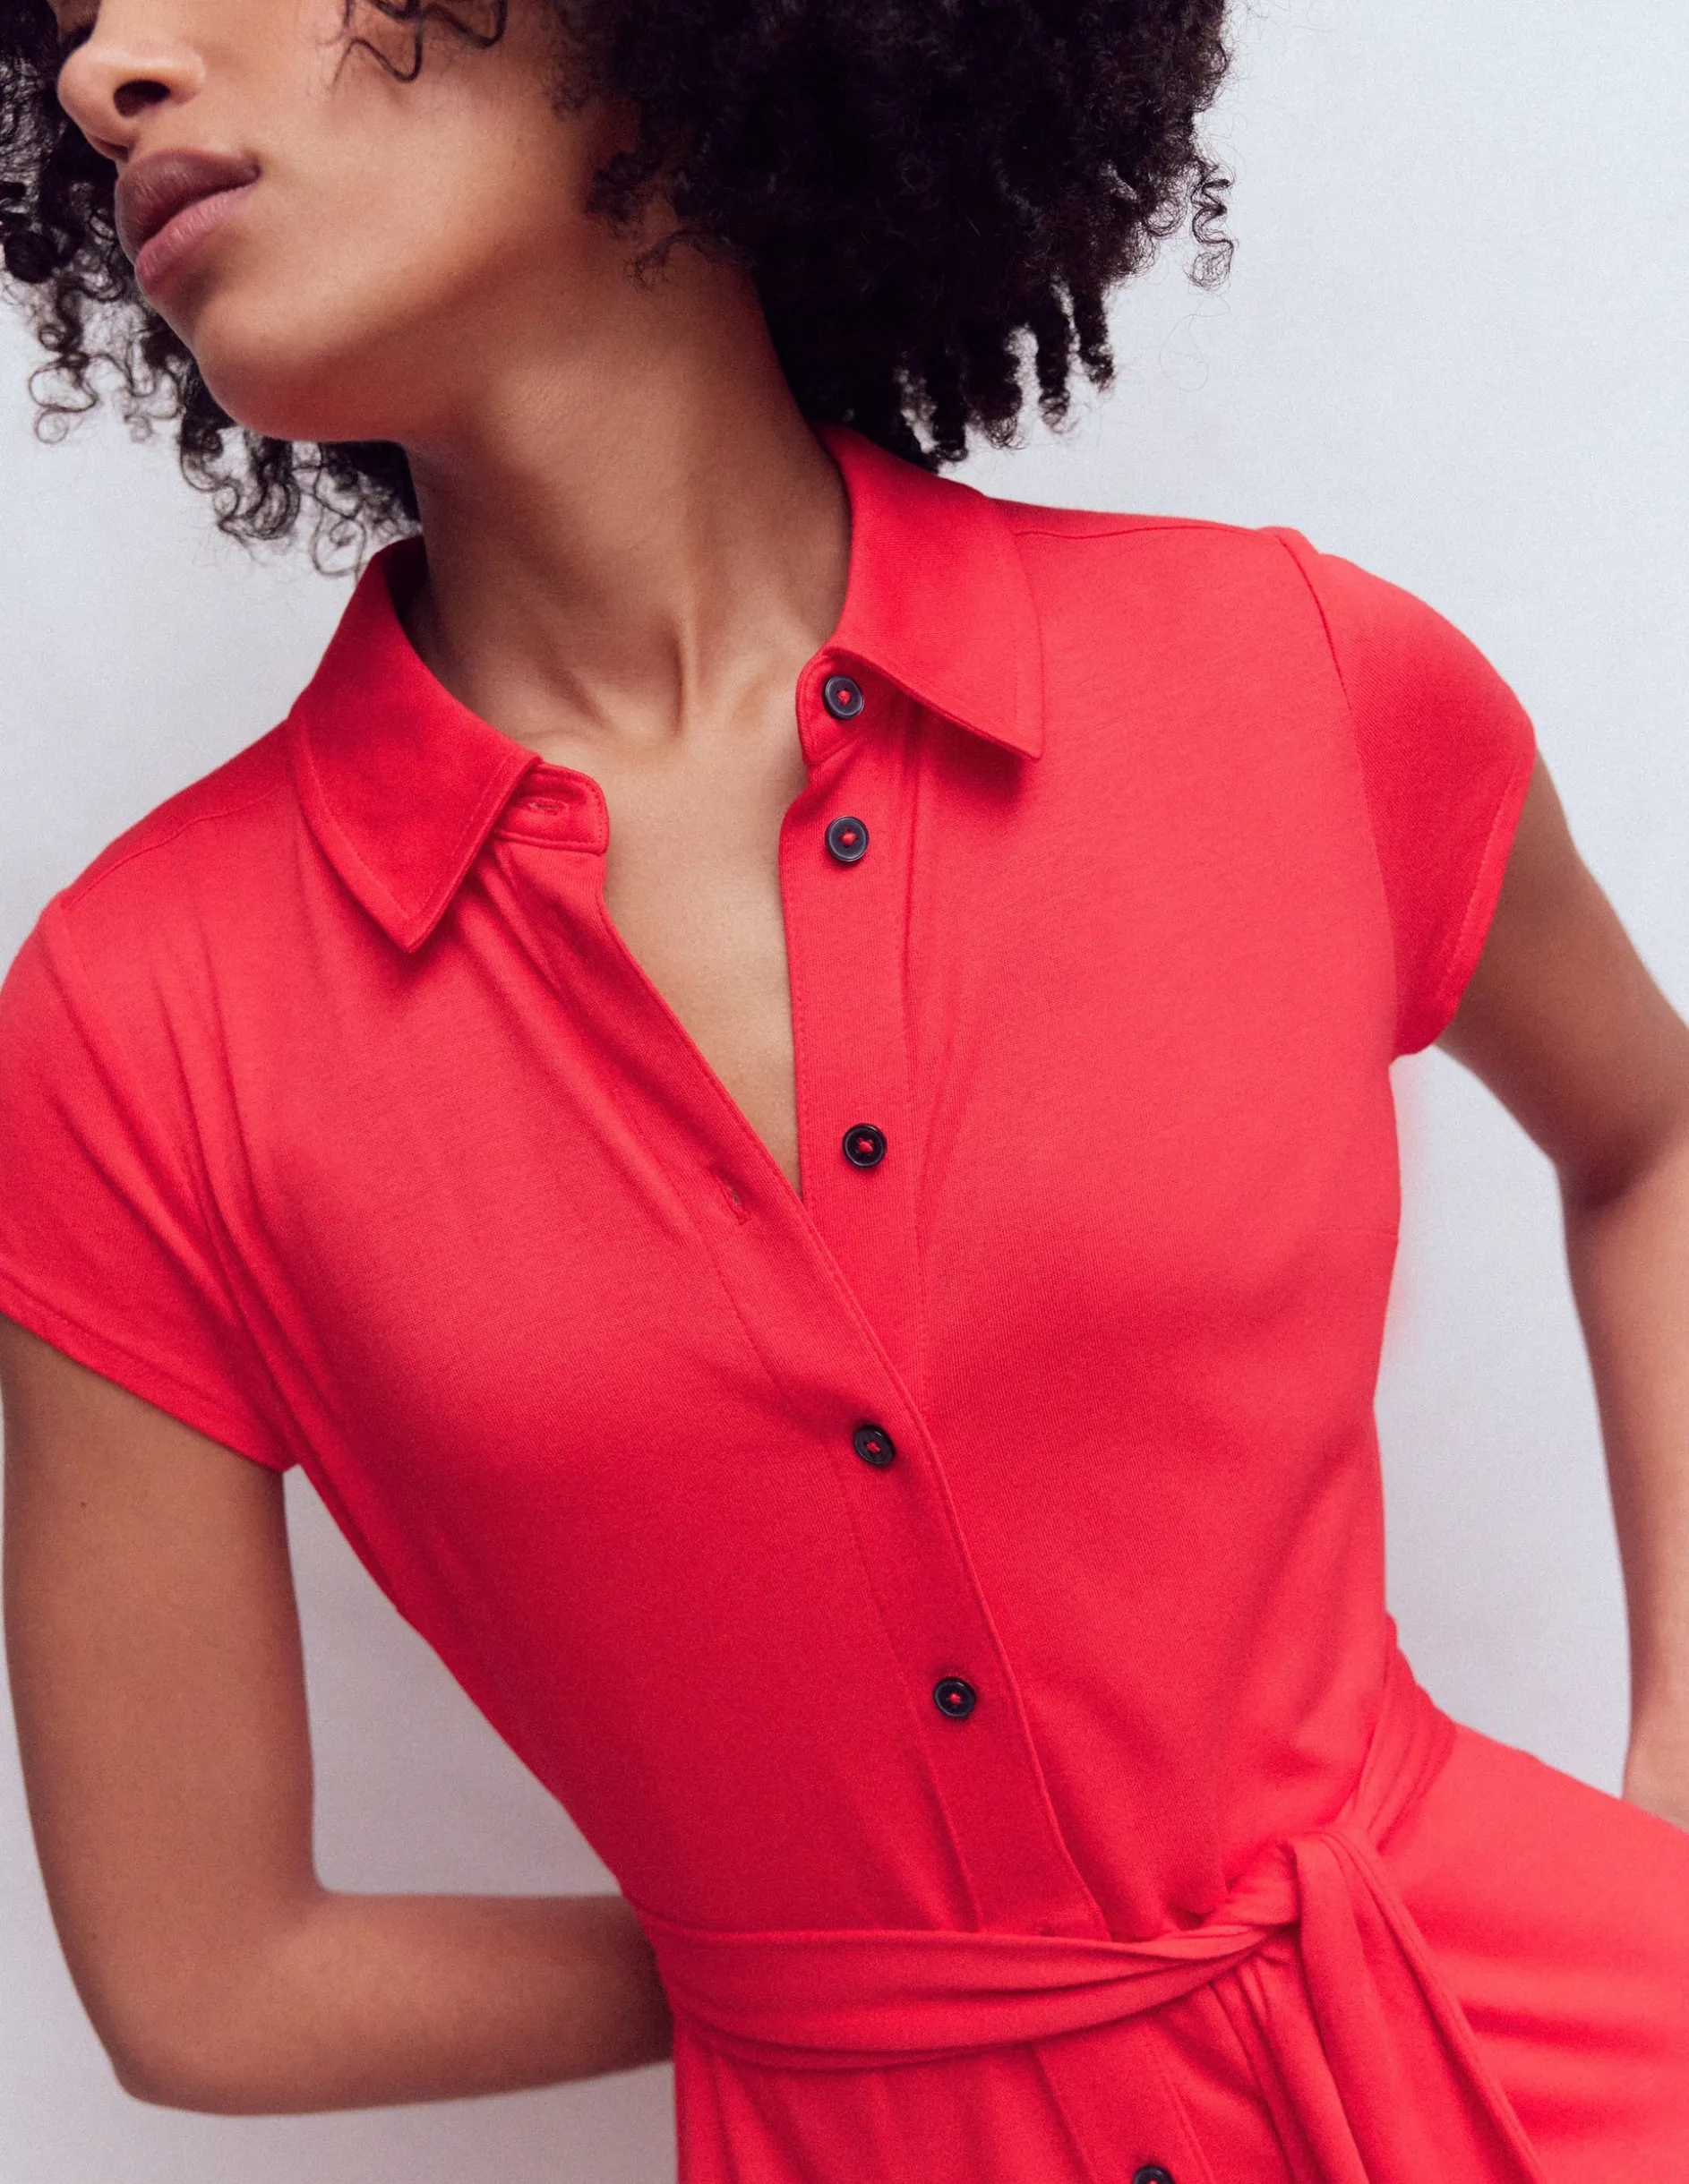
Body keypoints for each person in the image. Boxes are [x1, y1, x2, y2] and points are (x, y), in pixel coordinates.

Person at [0, 0, 1685, 2174]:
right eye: (68, 21)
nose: (105, 70)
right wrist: (835, 1974)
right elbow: (207, 1985)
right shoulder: (142, 1026)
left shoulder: (1294, 680)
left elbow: (1650, 1130)